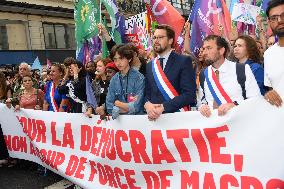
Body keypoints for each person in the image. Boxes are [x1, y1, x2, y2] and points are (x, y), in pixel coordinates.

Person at [198, 35, 261, 117]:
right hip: (213, 126)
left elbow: (255, 98)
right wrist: (202, 106)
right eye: (204, 49)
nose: (205, 52)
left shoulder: (242, 69)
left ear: (221, 51)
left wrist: (234, 105)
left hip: (238, 123)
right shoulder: (203, 74)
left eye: (209, 48)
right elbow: (201, 100)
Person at [144, 24, 196, 120]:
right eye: (154, 37)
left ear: (170, 41)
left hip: (177, 118)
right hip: (155, 121)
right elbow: (147, 93)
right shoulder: (149, 65)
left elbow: (189, 94)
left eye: (160, 37)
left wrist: (163, 107)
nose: (156, 40)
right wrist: (147, 104)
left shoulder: (183, 61)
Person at [106, 44, 145, 119]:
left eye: (121, 58)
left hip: (137, 121)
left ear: (129, 59)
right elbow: (109, 106)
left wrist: (117, 104)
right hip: (119, 124)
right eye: (115, 59)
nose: (118, 63)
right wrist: (125, 107)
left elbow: (136, 106)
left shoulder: (139, 77)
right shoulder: (114, 79)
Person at [264, 0, 284, 107]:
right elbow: (271, 88)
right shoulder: (268, 54)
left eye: (283, 15)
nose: (280, 20)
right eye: (274, 18)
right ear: (269, 22)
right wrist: (268, 94)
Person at [0, 71, 12, 167]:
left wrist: (8, 101)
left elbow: (10, 99)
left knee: (4, 136)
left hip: (4, 115)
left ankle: (6, 157)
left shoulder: (7, 86)